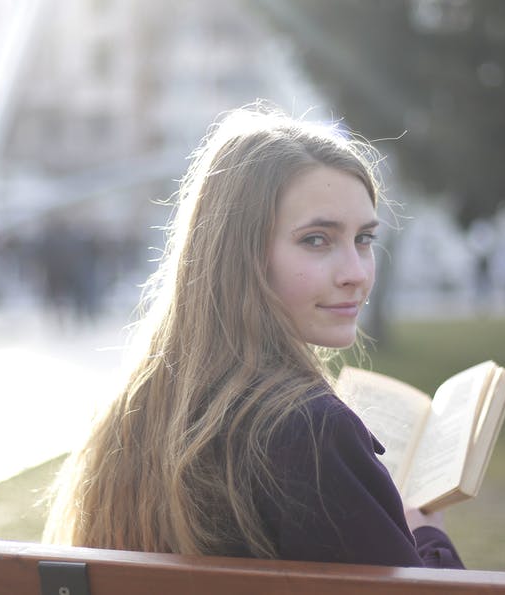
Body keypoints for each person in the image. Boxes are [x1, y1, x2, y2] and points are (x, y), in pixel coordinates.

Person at [43, 105, 465, 569]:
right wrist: (427, 534)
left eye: (363, 238)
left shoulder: (137, 406)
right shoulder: (311, 432)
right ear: (239, 254)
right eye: (317, 240)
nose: (356, 273)